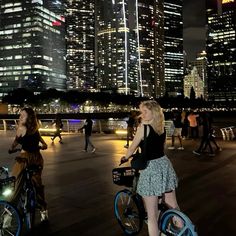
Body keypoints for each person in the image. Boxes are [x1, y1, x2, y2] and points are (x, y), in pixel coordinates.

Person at [121, 100, 180, 236]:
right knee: (174, 206)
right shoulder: (161, 127)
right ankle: (183, 229)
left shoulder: (144, 128)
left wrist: (125, 157)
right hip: (164, 165)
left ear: (153, 112)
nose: (141, 114)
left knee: (152, 215)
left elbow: (131, 148)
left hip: (151, 169)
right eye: (141, 111)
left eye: (145, 111)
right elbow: (160, 146)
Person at [8, 107, 48, 221]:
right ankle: (43, 211)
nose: (20, 117)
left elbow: (16, 140)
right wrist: (44, 145)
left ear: (29, 118)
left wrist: (11, 149)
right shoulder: (35, 128)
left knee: (15, 183)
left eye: (22, 115)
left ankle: (9, 215)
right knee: (38, 185)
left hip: (24, 158)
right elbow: (41, 140)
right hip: (37, 158)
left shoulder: (21, 127)